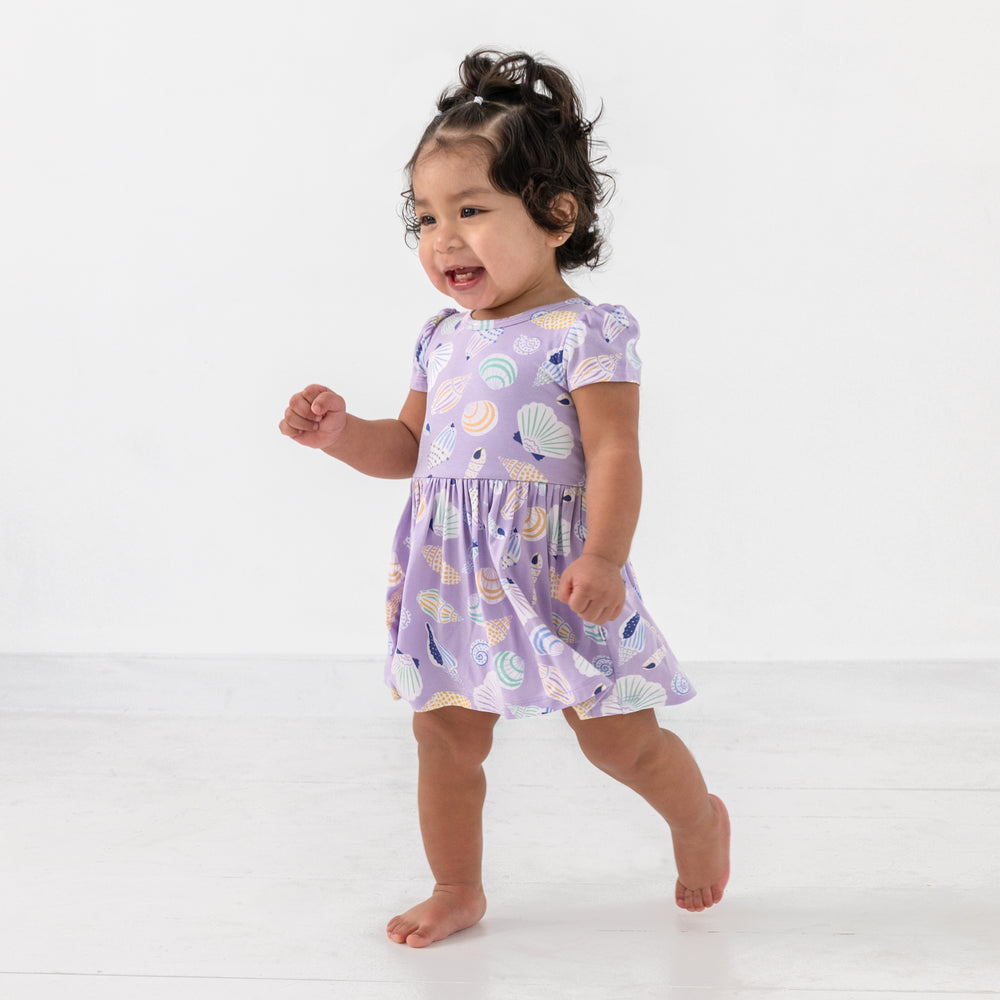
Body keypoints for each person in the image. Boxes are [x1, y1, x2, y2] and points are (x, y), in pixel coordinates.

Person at [279, 49, 730, 948]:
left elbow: (615, 450)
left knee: (617, 740)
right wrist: (341, 435)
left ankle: (698, 818)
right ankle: (456, 887)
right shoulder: (441, 338)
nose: (443, 238)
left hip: (562, 573)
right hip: (454, 577)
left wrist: (604, 556)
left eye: (472, 210)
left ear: (557, 215)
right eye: (427, 217)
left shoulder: (587, 333)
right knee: (445, 738)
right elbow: (409, 451)